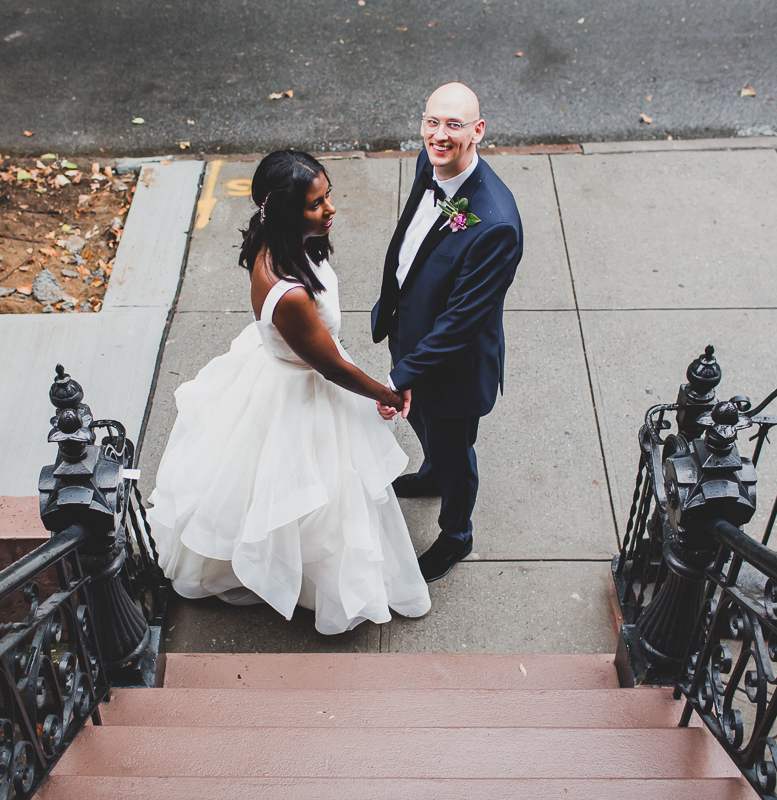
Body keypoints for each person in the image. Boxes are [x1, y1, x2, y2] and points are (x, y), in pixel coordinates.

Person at [148, 150, 431, 635]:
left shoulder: (276, 243)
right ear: (283, 211)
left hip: (279, 368)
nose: (331, 209)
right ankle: (309, 582)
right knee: (318, 494)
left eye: (328, 196)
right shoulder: (291, 294)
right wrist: (384, 392)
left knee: (280, 488)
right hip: (303, 387)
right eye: (316, 203)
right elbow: (331, 366)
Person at [372, 82, 523, 583]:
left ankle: (457, 533)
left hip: (452, 367)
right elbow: (414, 241)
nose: (439, 135)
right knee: (426, 430)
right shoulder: (429, 162)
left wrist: (403, 376)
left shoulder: (496, 222)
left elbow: (462, 321)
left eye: (454, 125)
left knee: (456, 452)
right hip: (410, 335)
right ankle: (431, 471)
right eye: (432, 122)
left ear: (478, 131)